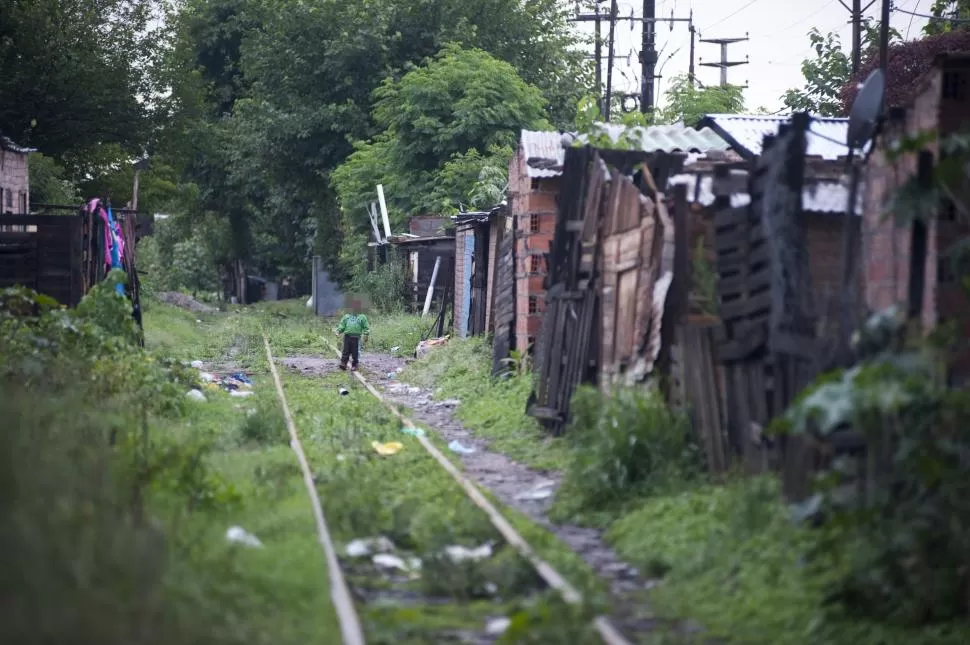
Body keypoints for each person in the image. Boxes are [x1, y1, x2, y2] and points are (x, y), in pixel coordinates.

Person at [334, 300, 369, 371]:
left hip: (356, 337)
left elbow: (366, 327)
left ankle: (355, 365)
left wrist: (366, 334)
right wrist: (338, 331)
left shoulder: (362, 317)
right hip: (347, 336)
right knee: (345, 351)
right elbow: (342, 326)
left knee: (355, 352)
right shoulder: (346, 317)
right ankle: (343, 363)